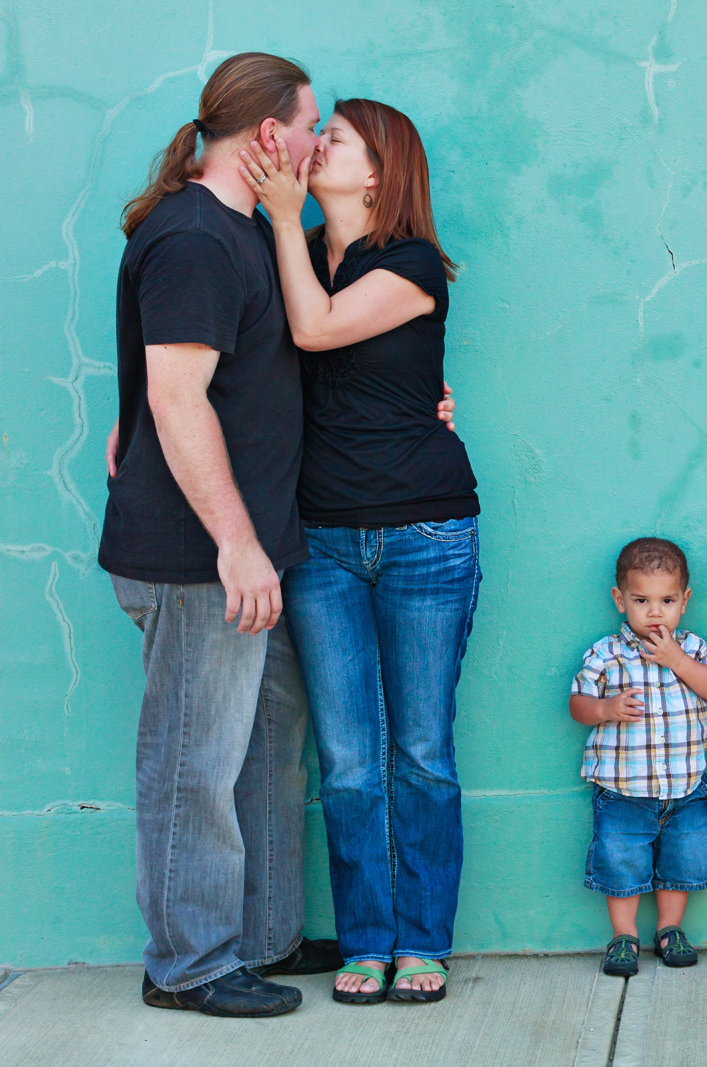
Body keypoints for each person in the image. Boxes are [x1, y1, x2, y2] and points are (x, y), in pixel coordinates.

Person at [100, 52, 340, 1017]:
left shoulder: (242, 229)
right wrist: (236, 544)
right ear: (270, 134)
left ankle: (267, 932)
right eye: (313, 125)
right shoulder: (195, 236)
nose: (319, 142)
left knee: (266, 746)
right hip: (201, 556)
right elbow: (177, 396)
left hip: (255, 550)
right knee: (194, 763)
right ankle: (190, 965)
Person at [236, 99, 479, 1004]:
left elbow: (316, 329)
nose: (314, 147)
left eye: (333, 138)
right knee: (344, 758)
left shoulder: (411, 264)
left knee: (421, 750)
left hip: (425, 532)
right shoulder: (289, 251)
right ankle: (367, 941)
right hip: (320, 539)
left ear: (377, 173)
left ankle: (423, 942)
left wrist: (281, 221)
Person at [569, 538, 707, 978]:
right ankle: (623, 936)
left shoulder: (693, 647)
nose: (655, 612)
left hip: (686, 787)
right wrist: (605, 709)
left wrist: (676, 659)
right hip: (623, 789)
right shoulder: (606, 653)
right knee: (620, 862)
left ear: (685, 600)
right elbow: (578, 704)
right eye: (642, 600)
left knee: (683, 861)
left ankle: (669, 929)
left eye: (667, 601)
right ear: (620, 599)